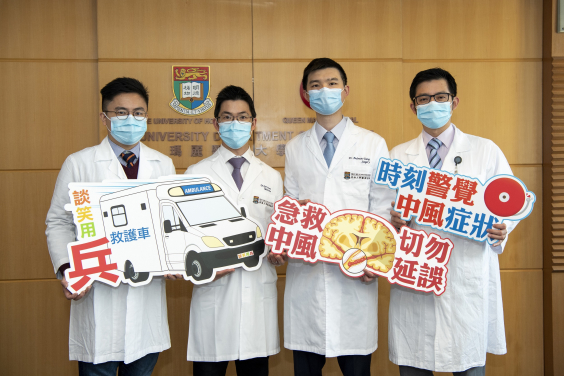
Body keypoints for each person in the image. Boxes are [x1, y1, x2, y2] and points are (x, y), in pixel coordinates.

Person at [388, 68, 518, 376]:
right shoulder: (398, 156)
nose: (432, 103)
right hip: (417, 280)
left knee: (468, 364)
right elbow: (383, 213)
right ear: (413, 106)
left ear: (454, 101)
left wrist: (502, 229)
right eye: (424, 98)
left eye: (440, 97)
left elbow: (510, 204)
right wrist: (394, 222)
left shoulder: (485, 151)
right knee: (414, 363)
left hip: (465, 276)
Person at [45, 77, 176, 375]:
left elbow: (168, 224)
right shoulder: (79, 163)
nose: (131, 119)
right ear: (104, 117)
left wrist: (174, 257)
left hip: (146, 302)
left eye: (138, 112)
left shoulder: (163, 164)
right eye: (120, 112)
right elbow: (58, 222)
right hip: (97, 296)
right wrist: (68, 270)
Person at [283, 58, 395, 376]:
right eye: (316, 85)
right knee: (306, 366)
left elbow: (383, 206)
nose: (324, 91)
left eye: (332, 83)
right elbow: (290, 203)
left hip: (356, 275)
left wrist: (374, 259)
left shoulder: (373, 144)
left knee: (356, 368)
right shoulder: (294, 148)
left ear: (345, 91)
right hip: (307, 275)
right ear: (306, 94)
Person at [184, 85, 284, 376]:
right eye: (227, 117)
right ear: (215, 124)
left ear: (254, 123)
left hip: (257, 297)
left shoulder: (272, 177)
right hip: (214, 296)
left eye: (242, 117)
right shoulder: (196, 174)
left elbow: (277, 233)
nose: (235, 124)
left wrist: (280, 252)